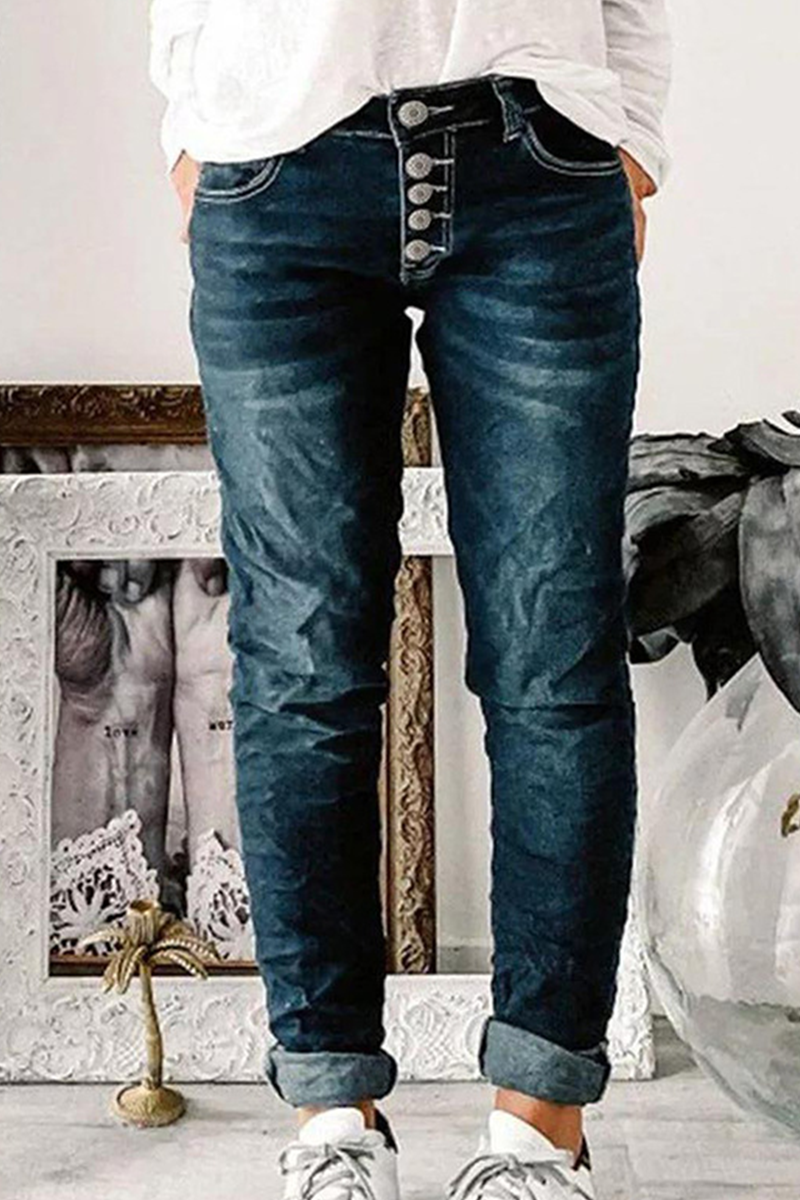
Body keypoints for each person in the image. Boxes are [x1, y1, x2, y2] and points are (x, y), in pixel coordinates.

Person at [149, 2, 671, 1196]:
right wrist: (192, 120)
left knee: (552, 660)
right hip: (273, 162)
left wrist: (630, 135)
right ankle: (332, 1117)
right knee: (299, 667)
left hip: (535, 157)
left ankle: (538, 1133)